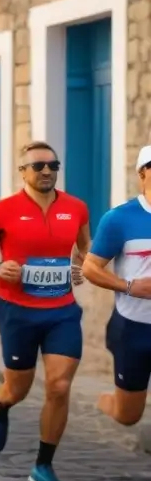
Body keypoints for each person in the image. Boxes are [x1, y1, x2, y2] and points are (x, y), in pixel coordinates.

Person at [0, 142, 89, 481]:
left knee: (59, 387)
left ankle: (43, 465)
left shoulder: (76, 208)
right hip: (18, 312)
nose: (47, 171)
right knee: (18, 387)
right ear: (23, 172)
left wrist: (81, 267)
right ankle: (1, 405)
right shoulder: (3, 210)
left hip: (62, 311)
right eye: (38, 166)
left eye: (53, 165)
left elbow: (85, 248)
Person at [82, 145, 151, 428]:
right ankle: (105, 401)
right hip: (133, 328)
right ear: (142, 174)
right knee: (128, 415)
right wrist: (130, 286)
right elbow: (90, 268)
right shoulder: (119, 219)